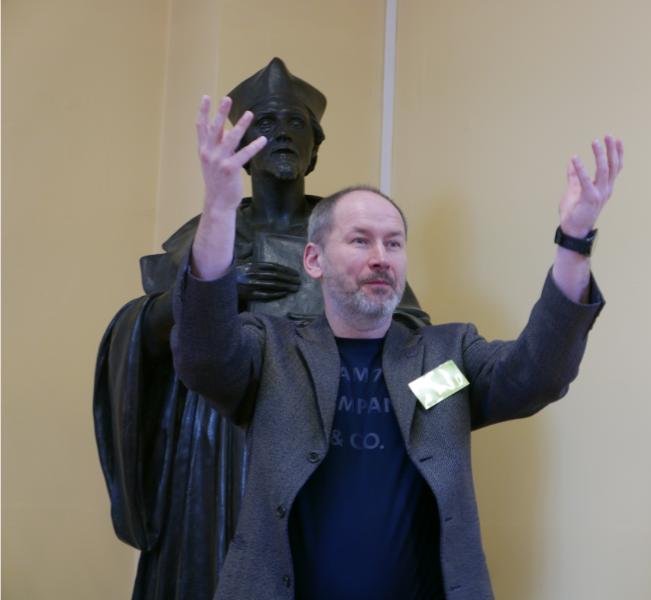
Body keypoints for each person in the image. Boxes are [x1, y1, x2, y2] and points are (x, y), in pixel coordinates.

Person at [170, 97, 623, 599]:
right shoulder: (273, 352)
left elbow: (538, 374)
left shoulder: (447, 358)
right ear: (314, 260)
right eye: (360, 241)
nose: (381, 257)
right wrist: (219, 210)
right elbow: (203, 356)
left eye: (394, 243)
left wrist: (574, 241)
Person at [94, 58, 429, 600]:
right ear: (243, 149)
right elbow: (143, 329)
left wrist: (341, 338)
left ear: (315, 148)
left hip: (326, 432)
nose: (283, 134)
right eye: (267, 122)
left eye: (296, 123)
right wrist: (216, 285)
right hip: (217, 442)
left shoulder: (347, 236)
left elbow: (419, 337)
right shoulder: (209, 237)